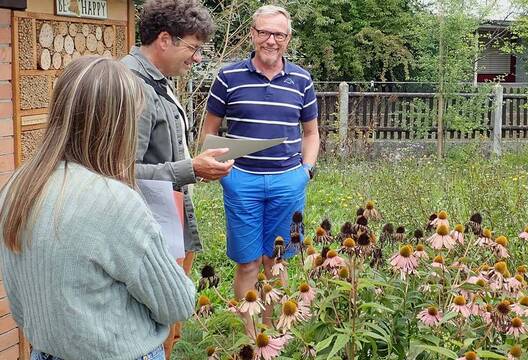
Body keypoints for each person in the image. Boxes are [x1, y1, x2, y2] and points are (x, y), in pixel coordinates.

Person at [0, 56, 195, 360]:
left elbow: (21, 299)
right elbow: (178, 303)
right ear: (122, 124)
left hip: (45, 352)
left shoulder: (18, 186)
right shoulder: (115, 202)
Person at [122, 1, 232, 355]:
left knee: (171, 324)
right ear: (165, 40)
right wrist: (190, 169)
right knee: (155, 323)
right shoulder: (132, 87)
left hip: (168, 222)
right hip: (147, 232)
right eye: (194, 48)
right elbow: (120, 173)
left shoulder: (160, 81)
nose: (197, 58)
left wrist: (194, 167)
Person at [203, 5, 320, 336]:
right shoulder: (229, 77)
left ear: (288, 38)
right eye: (265, 33)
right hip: (243, 182)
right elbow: (210, 128)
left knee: (277, 261)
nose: (271, 40)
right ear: (253, 34)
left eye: (279, 34)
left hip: (288, 182)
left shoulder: (301, 79)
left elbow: (311, 133)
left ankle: (274, 333)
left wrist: (306, 170)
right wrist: (224, 171)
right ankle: (251, 336)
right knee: (248, 263)